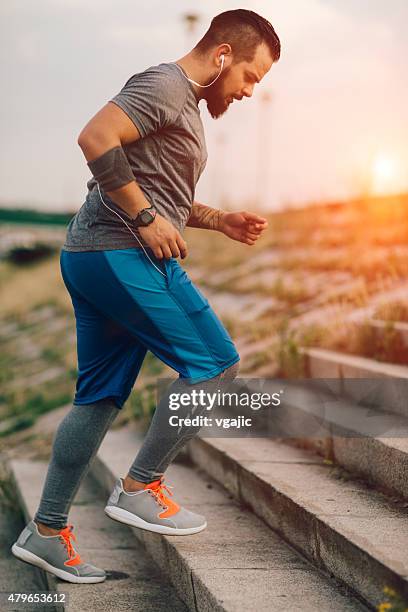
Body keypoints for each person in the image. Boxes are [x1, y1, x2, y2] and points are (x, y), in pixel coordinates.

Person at [12, 8, 280, 583]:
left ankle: (48, 530)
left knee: (101, 397)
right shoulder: (164, 84)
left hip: (95, 255)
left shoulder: (185, 106)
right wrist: (146, 216)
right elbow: (95, 137)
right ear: (223, 55)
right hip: (120, 253)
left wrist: (217, 218)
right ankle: (140, 487)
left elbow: (163, 193)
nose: (250, 92)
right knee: (214, 367)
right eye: (251, 78)